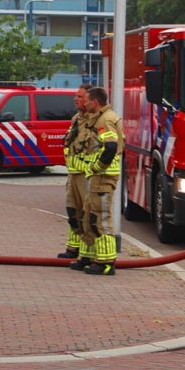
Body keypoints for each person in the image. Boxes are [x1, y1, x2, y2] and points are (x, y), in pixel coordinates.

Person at [69, 86, 124, 276]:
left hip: (102, 176)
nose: (84, 102)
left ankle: (107, 262)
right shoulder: (95, 118)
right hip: (95, 176)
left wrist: (97, 168)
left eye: (87, 100)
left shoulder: (106, 119)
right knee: (88, 217)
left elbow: (110, 147)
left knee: (100, 218)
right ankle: (90, 258)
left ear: (95, 102)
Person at [56, 83, 93, 260]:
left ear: (89, 100)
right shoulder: (76, 119)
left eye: (79, 96)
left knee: (87, 215)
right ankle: (73, 248)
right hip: (74, 173)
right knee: (73, 213)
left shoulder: (98, 121)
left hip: (88, 175)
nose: (75, 99)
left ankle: (86, 252)